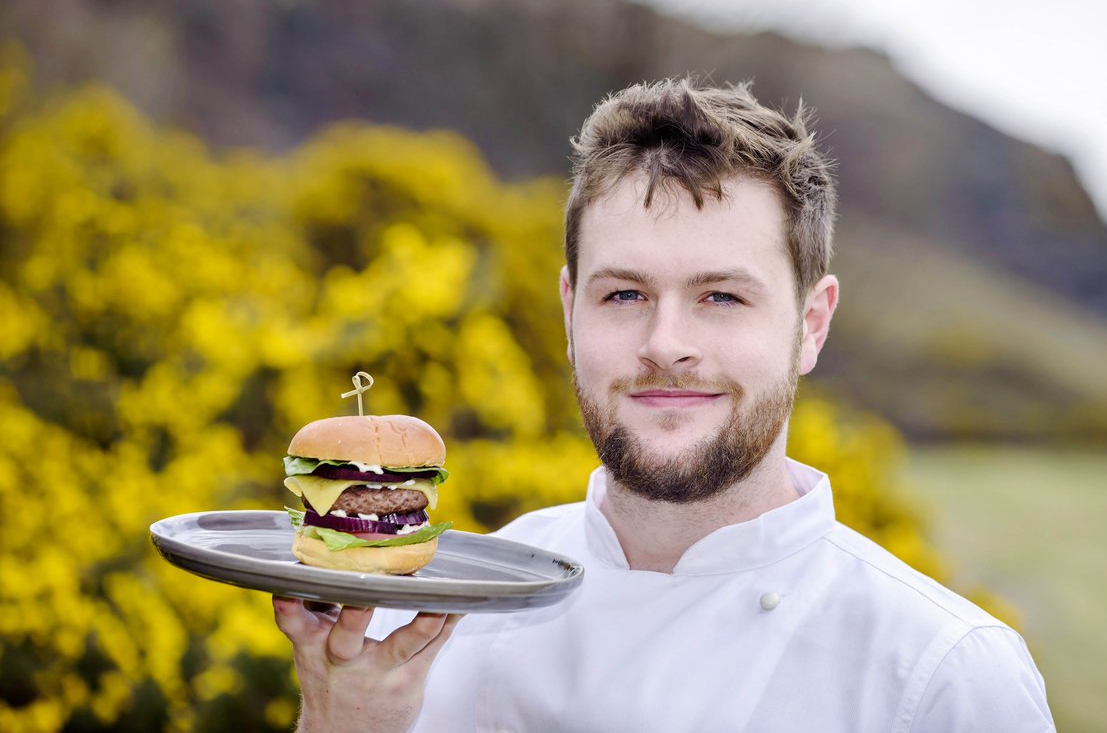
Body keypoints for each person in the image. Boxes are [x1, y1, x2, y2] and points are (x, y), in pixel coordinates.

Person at [273, 79, 1056, 732]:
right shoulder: (434, 619)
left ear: (810, 325)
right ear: (571, 310)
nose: (665, 342)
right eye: (624, 293)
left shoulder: (944, 679)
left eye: (721, 294)